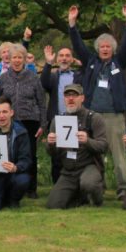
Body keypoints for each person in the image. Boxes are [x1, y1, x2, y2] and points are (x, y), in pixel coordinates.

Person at [68, 4, 126, 199]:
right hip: (93, 116)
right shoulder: (91, 61)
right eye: (102, 47)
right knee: (94, 154)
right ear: (98, 49)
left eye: (108, 47)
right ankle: (98, 187)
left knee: (118, 155)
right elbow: (79, 46)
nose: (105, 49)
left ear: (112, 49)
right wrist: (72, 24)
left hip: (114, 116)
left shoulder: (118, 61)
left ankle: (123, 189)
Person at [0, 44, 46, 198]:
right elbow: (0, 98)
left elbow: (41, 102)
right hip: (10, 122)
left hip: (30, 121)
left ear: (24, 59)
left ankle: (31, 188)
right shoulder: (3, 78)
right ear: (9, 59)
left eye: (19, 57)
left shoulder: (33, 77)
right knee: (9, 154)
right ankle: (10, 186)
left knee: (29, 154)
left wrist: (43, 124)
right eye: (14, 57)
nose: (16, 60)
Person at [46, 84, 108, 209]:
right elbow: (52, 153)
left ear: (82, 98)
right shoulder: (57, 120)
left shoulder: (94, 118)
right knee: (53, 205)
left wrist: (87, 141)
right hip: (68, 171)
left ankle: (97, 198)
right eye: (67, 96)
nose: (70, 99)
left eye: (74, 95)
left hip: (89, 166)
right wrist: (51, 144)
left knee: (89, 183)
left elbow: (104, 146)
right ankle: (79, 196)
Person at [41, 45, 81, 183]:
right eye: (61, 56)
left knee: (75, 153)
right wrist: (48, 63)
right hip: (57, 120)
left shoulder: (78, 76)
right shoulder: (53, 77)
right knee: (57, 155)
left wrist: (81, 65)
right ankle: (57, 184)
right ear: (57, 59)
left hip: (75, 120)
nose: (64, 58)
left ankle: (74, 183)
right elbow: (43, 82)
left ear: (72, 59)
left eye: (67, 56)